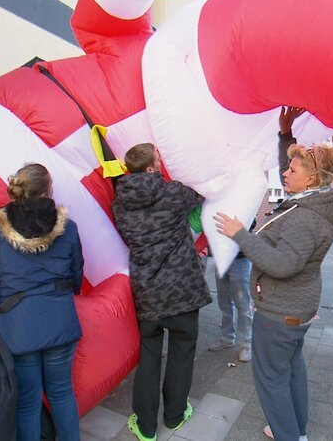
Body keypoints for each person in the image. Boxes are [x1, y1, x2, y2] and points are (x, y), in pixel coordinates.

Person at [213, 108, 333, 441]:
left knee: (271, 379)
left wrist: (239, 234)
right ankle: (295, 430)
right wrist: (285, 134)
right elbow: (295, 177)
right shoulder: (314, 202)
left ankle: (289, 435)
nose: (285, 174)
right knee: (290, 371)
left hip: (279, 314)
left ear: (312, 180)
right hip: (295, 311)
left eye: (291, 169)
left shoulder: (306, 218)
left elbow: (283, 264)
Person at [0, 163, 84, 441]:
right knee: (62, 393)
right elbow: (77, 271)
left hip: (17, 329)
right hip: (60, 322)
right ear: (47, 190)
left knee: (27, 403)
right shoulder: (68, 227)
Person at [112, 143, 212, 441]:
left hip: (148, 293)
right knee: (182, 353)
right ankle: (175, 415)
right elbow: (203, 192)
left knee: (149, 356)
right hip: (183, 291)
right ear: (151, 168)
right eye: (158, 158)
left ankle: (145, 427)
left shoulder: (119, 202)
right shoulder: (173, 193)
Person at [207, 218, 256, 363]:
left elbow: (251, 222)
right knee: (224, 301)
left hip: (240, 259)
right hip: (221, 257)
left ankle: (247, 344)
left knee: (243, 304)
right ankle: (227, 337)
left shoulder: (244, 198)